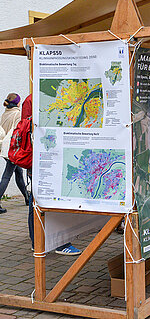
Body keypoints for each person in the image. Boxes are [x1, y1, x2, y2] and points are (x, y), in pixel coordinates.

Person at [22, 94, 82, 256]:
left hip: (40, 159)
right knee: (48, 200)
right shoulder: (39, 99)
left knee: (35, 200)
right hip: (46, 158)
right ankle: (59, 243)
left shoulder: (30, 98)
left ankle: (38, 242)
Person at [0, 93, 29, 213]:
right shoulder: (17, 114)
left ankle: (27, 198)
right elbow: (19, 131)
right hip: (12, 148)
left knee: (19, 173)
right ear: (17, 103)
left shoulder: (4, 114)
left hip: (4, 148)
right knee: (7, 175)